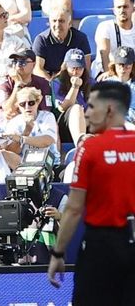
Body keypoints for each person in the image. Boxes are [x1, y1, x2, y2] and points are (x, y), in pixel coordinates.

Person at [48, 80, 135, 299]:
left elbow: (74, 208)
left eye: (92, 107)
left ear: (109, 110)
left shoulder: (90, 148)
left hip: (102, 246)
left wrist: (58, 252)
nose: (86, 114)